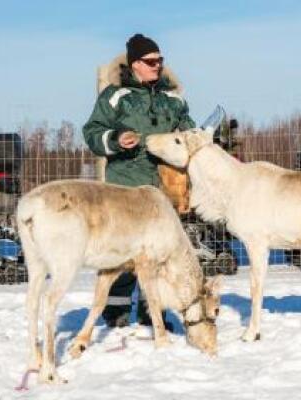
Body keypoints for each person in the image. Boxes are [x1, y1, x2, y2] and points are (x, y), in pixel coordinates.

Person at [82, 34, 195, 329]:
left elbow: (188, 131)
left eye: (160, 60)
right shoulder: (115, 96)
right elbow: (93, 131)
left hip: (163, 186)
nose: (157, 65)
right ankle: (116, 310)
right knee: (123, 250)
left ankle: (152, 310)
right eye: (151, 61)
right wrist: (116, 139)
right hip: (126, 186)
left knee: (160, 251)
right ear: (135, 64)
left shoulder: (174, 99)